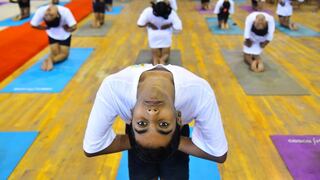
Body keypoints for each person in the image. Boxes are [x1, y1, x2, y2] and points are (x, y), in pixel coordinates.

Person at [83, 64, 228, 180]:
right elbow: (91, 149)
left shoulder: (114, 87)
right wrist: (153, 141)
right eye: (163, 124)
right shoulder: (198, 91)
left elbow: (219, 155)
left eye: (142, 124)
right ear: (178, 117)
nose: (152, 114)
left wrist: (163, 141)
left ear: (132, 114)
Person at [30, 4, 77, 71]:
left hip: (64, 33)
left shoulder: (65, 11)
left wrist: (68, 30)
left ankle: (50, 60)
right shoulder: (41, 11)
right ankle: (50, 60)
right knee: (55, 53)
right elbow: (33, 25)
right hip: (51, 32)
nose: (48, 13)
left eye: (51, 15)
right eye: (46, 15)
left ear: (57, 15)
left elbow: (74, 26)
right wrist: (44, 27)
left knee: (64, 55)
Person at [137, 0, 182, 65]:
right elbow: (178, 27)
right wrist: (169, 25)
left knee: (155, 57)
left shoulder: (148, 11)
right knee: (165, 55)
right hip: (165, 36)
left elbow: (139, 24)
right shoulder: (171, 12)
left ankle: (156, 65)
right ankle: (162, 61)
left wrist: (149, 23)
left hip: (153, 35)